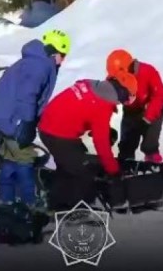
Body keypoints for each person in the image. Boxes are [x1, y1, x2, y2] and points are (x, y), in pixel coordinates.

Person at [0, 29, 70, 207]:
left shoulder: (38, 61)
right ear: (53, 51)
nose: (63, 59)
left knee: (12, 157)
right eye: (63, 54)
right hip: (9, 116)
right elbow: (27, 96)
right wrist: (27, 123)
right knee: (25, 157)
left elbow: (36, 97)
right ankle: (30, 204)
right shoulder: (40, 66)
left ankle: (5, 198)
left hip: (2, 113)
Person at [38, 71, 137, 210]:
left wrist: (99, 129)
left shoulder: (91, 85)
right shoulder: (102, 106)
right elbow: (101, 144)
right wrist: (114, 172)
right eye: (130, 96)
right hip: (56, 134)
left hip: (50, 124)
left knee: (73, 163)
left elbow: (80, 108)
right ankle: (71, 209)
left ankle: (58, 192)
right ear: (122, 91)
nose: (129, 101)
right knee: (84, 172)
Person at [106, 49, 163, 163]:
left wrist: (148, 117)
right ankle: (125, 167)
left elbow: (160, 95)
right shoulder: (116, 77)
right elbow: (109, 93)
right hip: (131, 111)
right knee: (126, 146)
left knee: (149, 144)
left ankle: (152, 161)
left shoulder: (148, 72)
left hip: (151, 109)